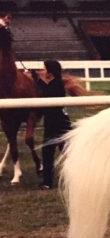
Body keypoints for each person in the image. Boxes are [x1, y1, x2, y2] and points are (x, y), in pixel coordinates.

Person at [32, 59, 71, 189]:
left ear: (50, 72)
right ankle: (47, 182)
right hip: (52, 123)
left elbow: (47, 95)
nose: (41, 71)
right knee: (48, 153)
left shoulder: (57, 84)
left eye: (43, 69)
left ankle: (49, 182)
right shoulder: (53, 83)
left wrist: (38, 81)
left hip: (60, 123)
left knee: (63, 152)